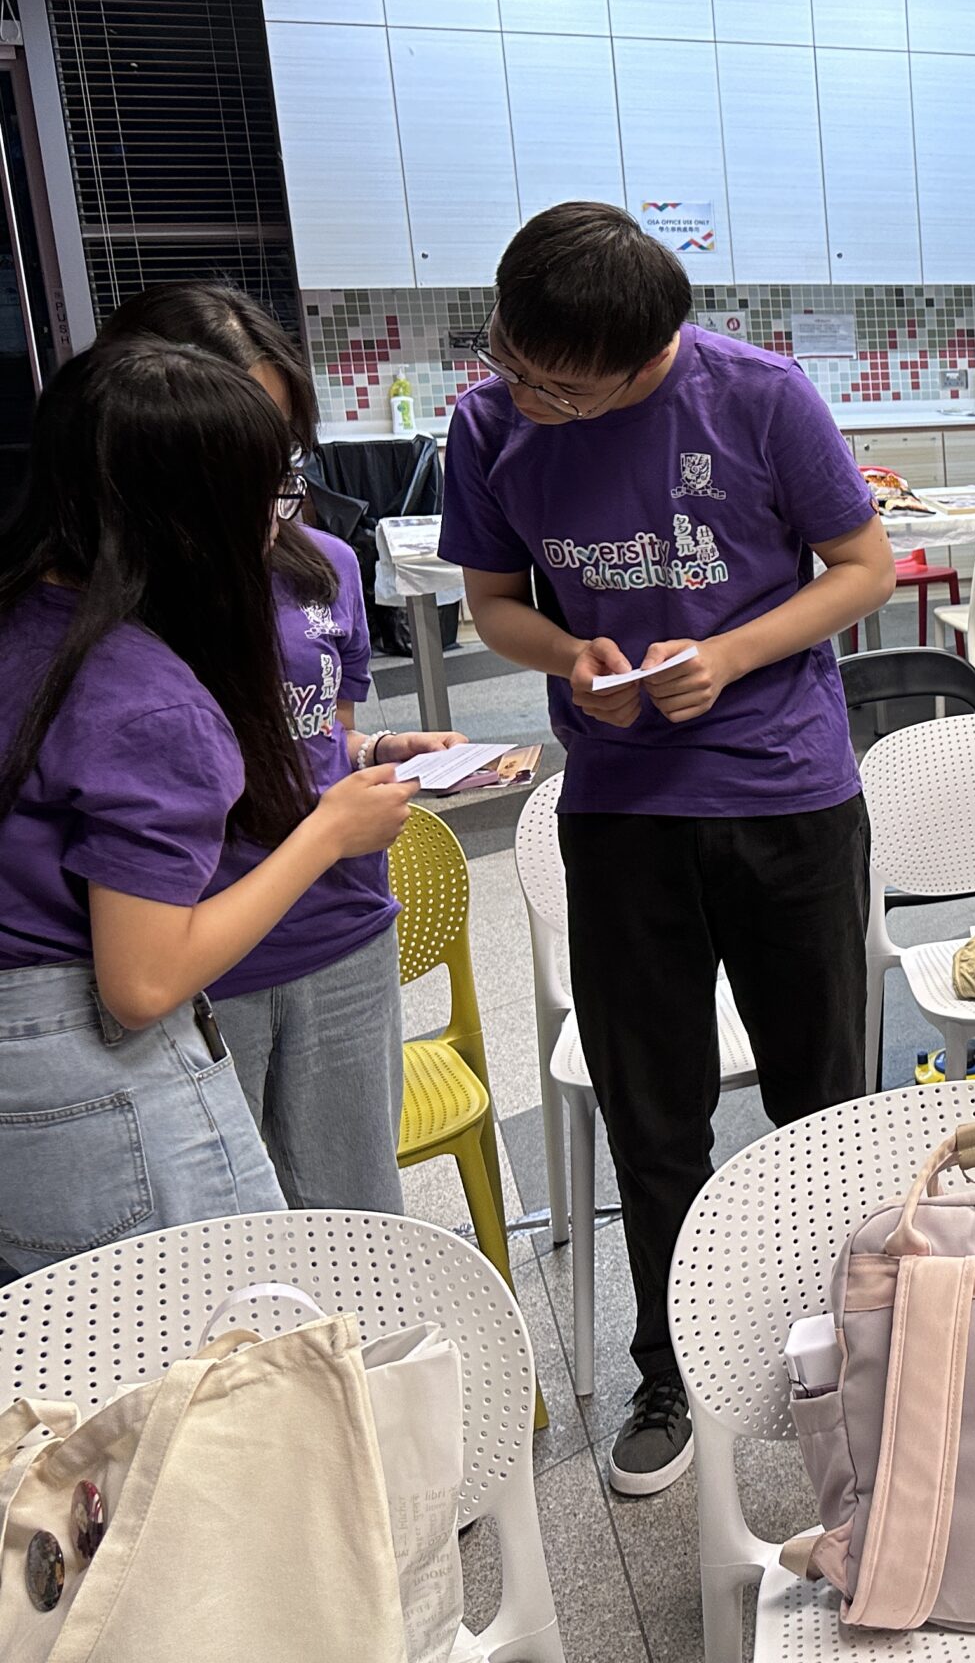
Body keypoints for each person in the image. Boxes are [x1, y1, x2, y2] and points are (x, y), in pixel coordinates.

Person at [438, 201, 895, 1494]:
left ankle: (849, 1347)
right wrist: (567, 653)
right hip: (623, 809)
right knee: (656, 1113)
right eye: (513, 363)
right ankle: (666, 1365)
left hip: (786, 795)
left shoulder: (759, 399)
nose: (526, 396)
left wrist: (731, 654)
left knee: (820, 1094)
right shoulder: (491, 425)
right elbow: (493, 604)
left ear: (654, 357)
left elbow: (860, 565)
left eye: (559, 385)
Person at [0, 339, 419, 1279]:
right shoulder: (151, 698)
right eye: (267, 496)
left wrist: (361, 756)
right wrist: (327, 835)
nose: (284, 523)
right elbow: (143, 985)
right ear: (191, 520)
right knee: (245, 1333)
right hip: (84, 1075)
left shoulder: (27, 618)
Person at [100, 283, 470, 1212]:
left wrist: (382, 749)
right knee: (226, 1244)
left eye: (283, 455)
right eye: (235, 454)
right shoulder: (111, 611)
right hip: (199, 959)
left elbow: (319, 739)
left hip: (341, 932)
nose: (268, 489)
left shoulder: (324, 564)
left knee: (355, 1214)